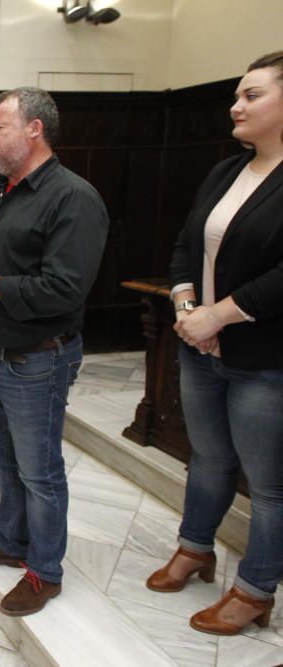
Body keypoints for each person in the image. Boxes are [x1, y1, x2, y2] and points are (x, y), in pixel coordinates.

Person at [0, 87, 108, 617]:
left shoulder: (72, 197)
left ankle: (45, 570)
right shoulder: (3, 191)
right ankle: (11, 539)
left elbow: (64, 288)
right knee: (4, 462)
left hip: (39, 358)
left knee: (40, 472)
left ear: (34, 129)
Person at [148, 51, 283, 636]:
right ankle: (194, 548)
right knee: (207, 459)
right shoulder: (226, 171)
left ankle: (255, 589)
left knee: (269, 483)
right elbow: (185, 244)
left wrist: (218, 316)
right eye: (237, 94)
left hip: (263, 359)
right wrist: (185, 307)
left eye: (251, 95)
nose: (236, 105)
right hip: (201, 347)